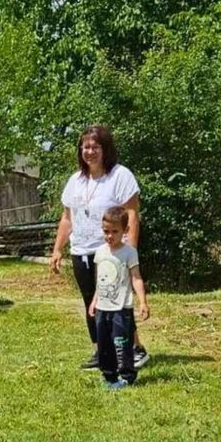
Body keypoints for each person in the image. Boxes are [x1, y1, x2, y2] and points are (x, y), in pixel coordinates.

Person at [50, 125, 148, 371]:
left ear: (105, 149)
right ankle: (100, 350)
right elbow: (67, 218)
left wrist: (129, 250)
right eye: (85, 147)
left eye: (95, 147)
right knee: (90, 303)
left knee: (114, 302)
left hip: (109, 252)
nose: (90, 151)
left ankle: (135, 348)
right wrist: (58, 248)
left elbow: (132, 215)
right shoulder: (75, 181)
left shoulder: (119, 176)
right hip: (81, 251)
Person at [88, 206, 150, 390]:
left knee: (121, 343)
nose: (110, 236)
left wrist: (143, 301)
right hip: (103, 308)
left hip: (121, 309)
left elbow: (136, 278)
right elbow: (100, 279)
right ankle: (109, 375)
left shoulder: (129, 252)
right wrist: (94, 300)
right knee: (104, 344)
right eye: (106, 231)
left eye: (115, 231)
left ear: (125, 230)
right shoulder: (100, 252)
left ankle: (126, 376)